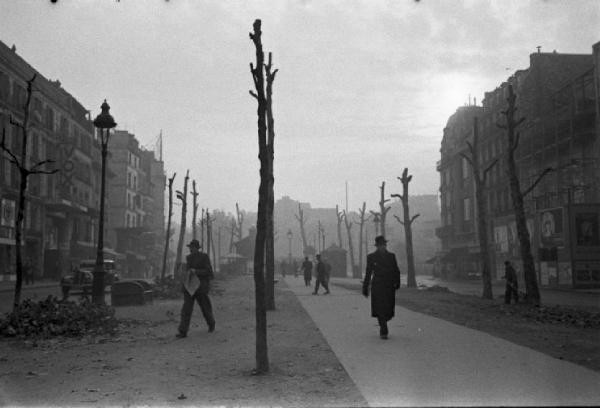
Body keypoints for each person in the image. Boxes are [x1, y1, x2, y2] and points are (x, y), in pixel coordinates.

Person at [362, 236, 400, 339]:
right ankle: (384, 329)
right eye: (380, 245)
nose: (382, 247)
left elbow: (396, 270)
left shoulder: (391, 256)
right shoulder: (371, 257)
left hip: (389, 285)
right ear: (377, 246)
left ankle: (384, 322)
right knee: (379, 307)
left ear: (385, 245)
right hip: (378, 285)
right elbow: (368, 273)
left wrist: (397, 282)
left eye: (383, 245)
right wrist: (365, 287)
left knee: (388, 308)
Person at [176, 239, 216, 338]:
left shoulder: (204, 257)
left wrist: (196, 271)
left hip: (201, 287)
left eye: (192, 247)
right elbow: (187, 271)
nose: (191, 249)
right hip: (190, 286)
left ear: (197, 248)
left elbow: (209, 272)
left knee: (205, 307)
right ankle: (183, 331)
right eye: (190, 247)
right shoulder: (188, 258)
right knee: (186, 309)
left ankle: (211, 324)